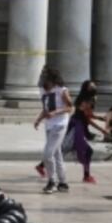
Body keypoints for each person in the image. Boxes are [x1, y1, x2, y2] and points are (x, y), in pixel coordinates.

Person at [34, 66, 72, 194]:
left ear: (52, 79)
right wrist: (39, 120)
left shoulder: (61, 90)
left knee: (47, 154)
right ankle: (63, 182)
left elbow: (70, 107)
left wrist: (56, 112)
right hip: (49, 125)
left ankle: (52, 181)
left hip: (60, 124)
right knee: (57, 154)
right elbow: (45, 109)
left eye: (45, 77)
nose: (42, 80)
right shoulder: (44, 92)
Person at [65, 80, 107, 184]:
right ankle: (86, 176)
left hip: (78, 125)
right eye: (91, 85)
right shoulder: (86, 100)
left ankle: (86, 175)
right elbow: (88, 118)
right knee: (83, 150)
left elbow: (88, 115)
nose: (94, 86)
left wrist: (99, 118)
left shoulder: (88, 99)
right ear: (86, 88)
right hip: (77, 126)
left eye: (94, 85)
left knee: (64, 149)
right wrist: (101, 129)